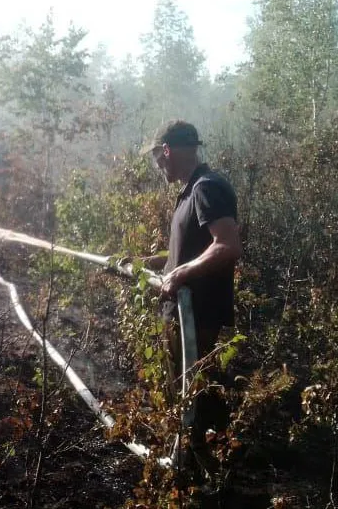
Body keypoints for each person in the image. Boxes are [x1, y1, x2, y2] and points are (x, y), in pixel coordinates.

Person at [136, 119, 242, 479]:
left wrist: (180, 275)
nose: (157, 167)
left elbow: (227, 246)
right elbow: (179, 258)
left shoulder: (206, 188)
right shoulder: (190, 192)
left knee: (197, 397)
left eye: (157, 158)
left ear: (168, 151)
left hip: (199, 318)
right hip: (183, 318)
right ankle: (192, 467)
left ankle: (202, 477)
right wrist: (139, 264)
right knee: (185, 393)